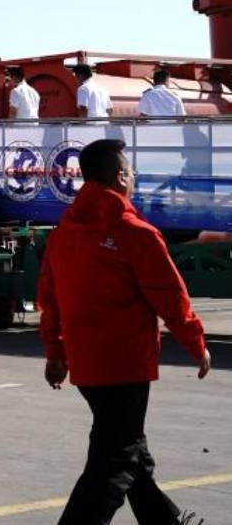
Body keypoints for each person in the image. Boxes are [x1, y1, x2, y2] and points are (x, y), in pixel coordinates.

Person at [38, 139, 210, 525]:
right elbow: (169, 295)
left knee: (130, 448)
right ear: (120, 179)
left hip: (86, 364)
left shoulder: (64, 233)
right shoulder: (136, 233)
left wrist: (56, 351)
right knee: (116, 459)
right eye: (131, 171)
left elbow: (49, 297)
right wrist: (196, 343)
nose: (134, 178)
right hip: (124, 363)